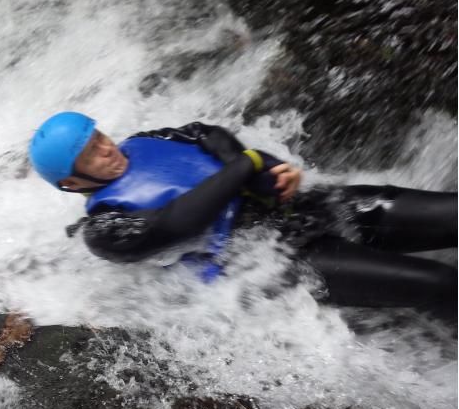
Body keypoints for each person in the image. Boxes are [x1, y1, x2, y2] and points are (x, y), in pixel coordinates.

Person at [29, 111, 457, 309]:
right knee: (441, 283)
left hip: (302, 208)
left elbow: (206, 134)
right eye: (91, 154)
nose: (107, 149)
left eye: (99, 136)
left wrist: (268, 172)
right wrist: (249, 165)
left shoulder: (145, 140)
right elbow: (181, 221)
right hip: (273, 260)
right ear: (72, 183)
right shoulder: (104, 229)